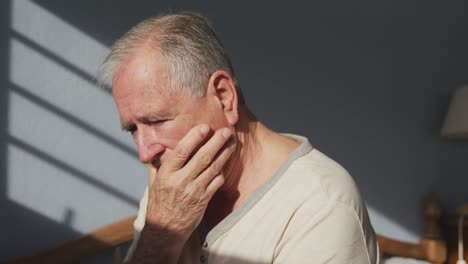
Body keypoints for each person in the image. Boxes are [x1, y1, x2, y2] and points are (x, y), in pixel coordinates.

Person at [98, 12, 379, 264]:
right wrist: (158, 238)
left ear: (224, 96)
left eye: (157, 121)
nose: (145, 153)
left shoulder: (320, 203)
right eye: (132, 129)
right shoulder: (171, 189)